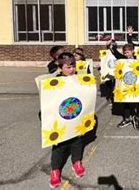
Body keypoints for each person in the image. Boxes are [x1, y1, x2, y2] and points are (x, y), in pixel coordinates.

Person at [49, 52, 86, 188]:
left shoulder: (78, 80)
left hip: (75, 116)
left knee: (77, 141)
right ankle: (55, 170)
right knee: (59, 146)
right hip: (60, 119)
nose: (72, 70)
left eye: (73, 66)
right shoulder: (53, 83)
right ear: (60, 68)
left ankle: (76, 161)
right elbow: (47, 102)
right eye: (68, 67)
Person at [107, 41, 139, 130]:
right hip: (126, 85)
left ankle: (137, 117)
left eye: (128, 52)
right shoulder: (123, 59)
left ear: (132, 51)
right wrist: (111, 46)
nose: (126, 54)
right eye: (125, 52)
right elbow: (116, 53)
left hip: (137, 85)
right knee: (126, 102)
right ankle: (127, 119)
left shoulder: (138, 59)